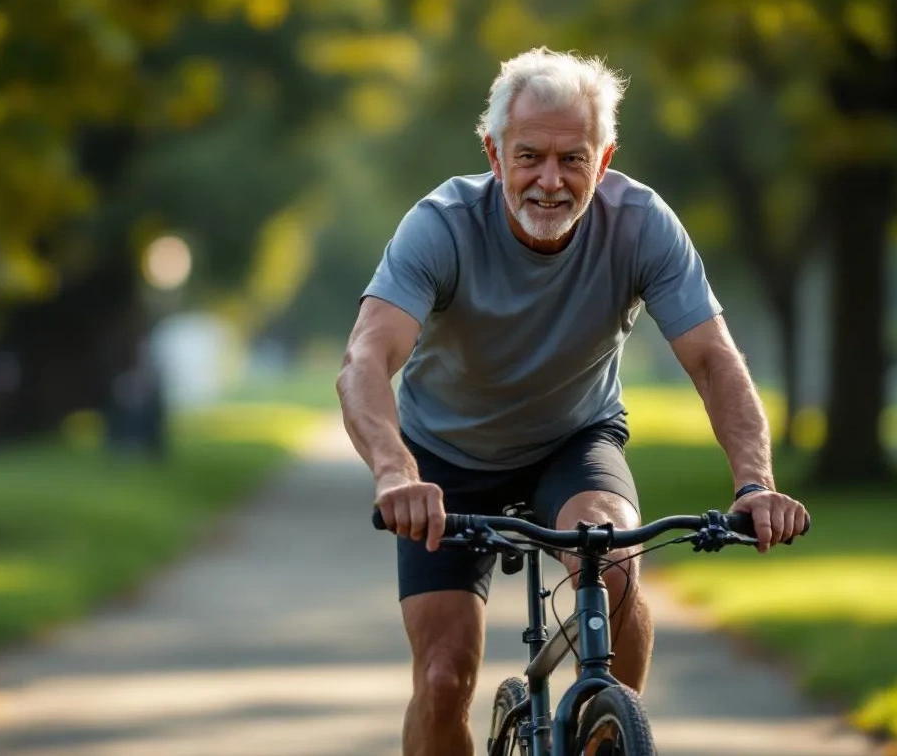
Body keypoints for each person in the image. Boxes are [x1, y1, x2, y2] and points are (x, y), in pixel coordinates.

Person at [335, 47, 810, 755]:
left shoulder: (641, 224)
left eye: (573, 159)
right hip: (444, 459)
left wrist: (755, 484)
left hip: (573, 439)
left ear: (605, 159)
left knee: (613, 568)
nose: (550, 181)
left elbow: (714, 360)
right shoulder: (441, 225)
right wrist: (395, 473)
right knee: (441, 677)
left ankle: (606, 733)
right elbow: (364, 362)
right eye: (529, 157)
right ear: (494, 153)